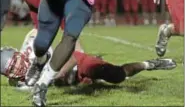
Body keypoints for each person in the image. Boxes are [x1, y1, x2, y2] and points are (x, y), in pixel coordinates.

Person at [0, 30, 177, 90]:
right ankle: (93, 76)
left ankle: (149, 64)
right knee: (95, 84)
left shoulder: (32, 49)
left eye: (15, 62)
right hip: (68, 80)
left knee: (118, 75)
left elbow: (35, 33)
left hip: (69, 62)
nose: (17, 69)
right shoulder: (16, 83)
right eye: (12, 69)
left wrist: (50, 74)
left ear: (19, 53)